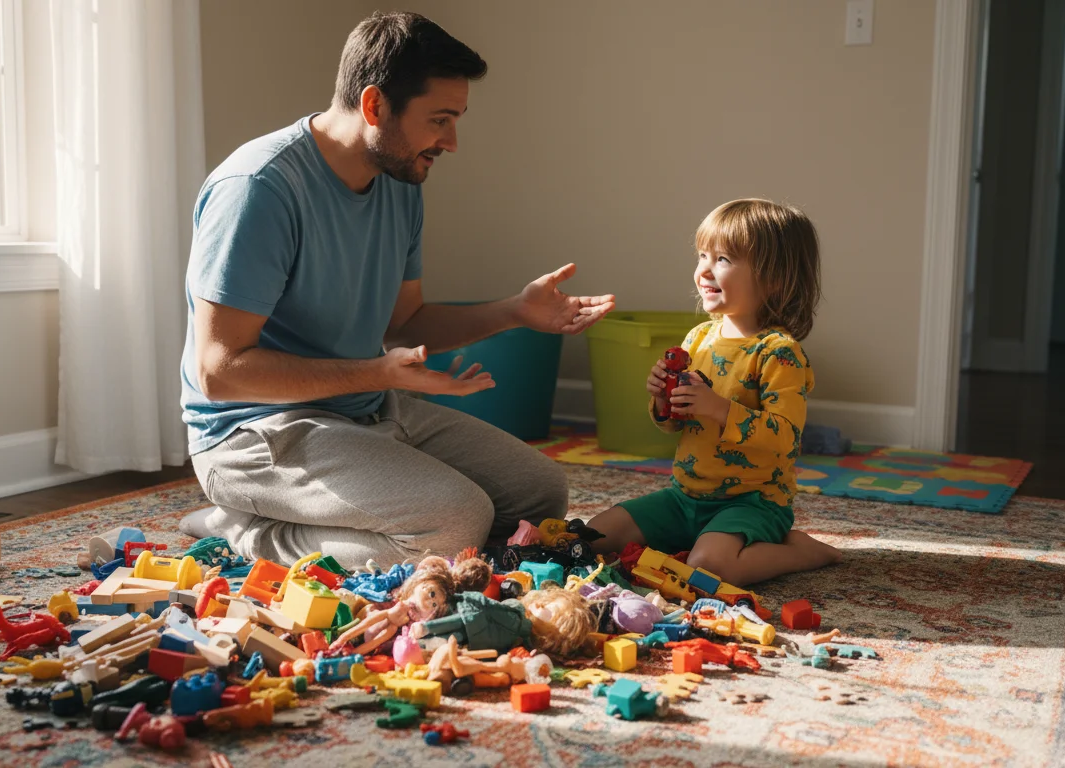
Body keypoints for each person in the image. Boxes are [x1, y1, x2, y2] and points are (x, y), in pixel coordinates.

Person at [178, 11, 614, 567]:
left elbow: (404, 323)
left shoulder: (400, 180)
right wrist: (376, 373)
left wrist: (516, 311)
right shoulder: (259, 189)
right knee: (456, 524)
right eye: (439, 119)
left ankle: (352, 504)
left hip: (364, 407)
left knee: (538, 495)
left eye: (456, 119)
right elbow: (221, 372)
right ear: (375, 106)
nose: (451, 142)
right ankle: (245, 530)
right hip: (254, 432)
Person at [587, 199, 841, 586]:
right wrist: (662, 400)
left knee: (710, 570)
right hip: (684, 496)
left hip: (753, 502)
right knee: (594, 535)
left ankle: (800, 550)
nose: (703, 270)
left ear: (774, 278)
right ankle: (704, 538)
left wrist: (720, 409)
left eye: (722, 259)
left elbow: (785, 437)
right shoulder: (700, 337)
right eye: (702, 255)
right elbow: (675, 425)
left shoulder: (778, 351)